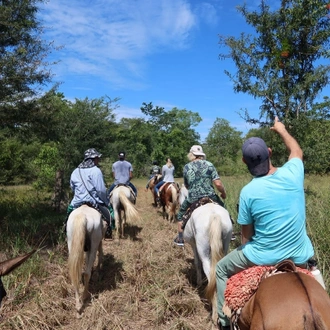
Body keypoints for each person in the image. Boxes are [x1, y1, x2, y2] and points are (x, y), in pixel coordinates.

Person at [215, 117, 316, 330]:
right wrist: (281, 129)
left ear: (244, 162)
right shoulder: (293, 172)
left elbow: (246, 237)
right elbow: (296, 151)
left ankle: (224, 323)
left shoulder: (248, 192)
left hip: (262, 256)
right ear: (269, 152)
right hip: (300, 256)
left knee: (221, 269)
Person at [173, 145, 227, 247]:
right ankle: (231, 232)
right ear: (202, 155)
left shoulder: (187, 167)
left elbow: (187, 185)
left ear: (191, 154)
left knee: (180, 216)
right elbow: (218, 184)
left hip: (193, 198)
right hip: (211, 196)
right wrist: (223, 193)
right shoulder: (210, 165)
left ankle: (180, 238)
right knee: (225, 210)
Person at [67, 148, 112, 237]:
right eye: (97, 158)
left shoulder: (75, 171)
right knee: (109, 216)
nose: (98, 160)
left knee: (67, 217)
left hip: (77, 202)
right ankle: (108, 232)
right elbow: (101, 190)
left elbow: (72, 188)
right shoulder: (96, 170)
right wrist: (106, 202)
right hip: (94, 202)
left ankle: (64, 230)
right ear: (93, 159)